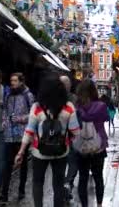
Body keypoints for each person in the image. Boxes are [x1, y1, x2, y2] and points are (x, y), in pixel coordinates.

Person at [15, 73, 80, 207]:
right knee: (58, 184)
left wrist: (21, 152)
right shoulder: (68, 107)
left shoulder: (37, 107)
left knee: (38, 183)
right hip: (61, 152)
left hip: (39, 152)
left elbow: (29, 131)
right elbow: (75, 132)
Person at [0, 73, 34, 203]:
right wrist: (4, 122)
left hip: (22, 136)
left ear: (21, 82)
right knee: (7, 163)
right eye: (11, 80)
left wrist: (20, 119)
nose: (12, 83)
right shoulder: (8, 95)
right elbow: (5, 111)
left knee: (23, 164)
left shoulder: (28, 95)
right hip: (9, 135)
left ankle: (21, 190)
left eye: (14, 80)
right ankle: (4, 194)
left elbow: (33, 113)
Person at [75, 80, 109, 207]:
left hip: (81, 146)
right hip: (98, 146)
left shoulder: (77, 107)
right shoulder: (101, 106)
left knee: (82, 178)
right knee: (98, 177)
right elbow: (106, 118)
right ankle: (99, 204)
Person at [60, 75, 79, 201]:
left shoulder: (53, 97)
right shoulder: (74, 98)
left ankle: (65, 184)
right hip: (68, 135)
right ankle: (67, 183)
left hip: (60, 136)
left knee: (64, 162)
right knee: (72, 162)